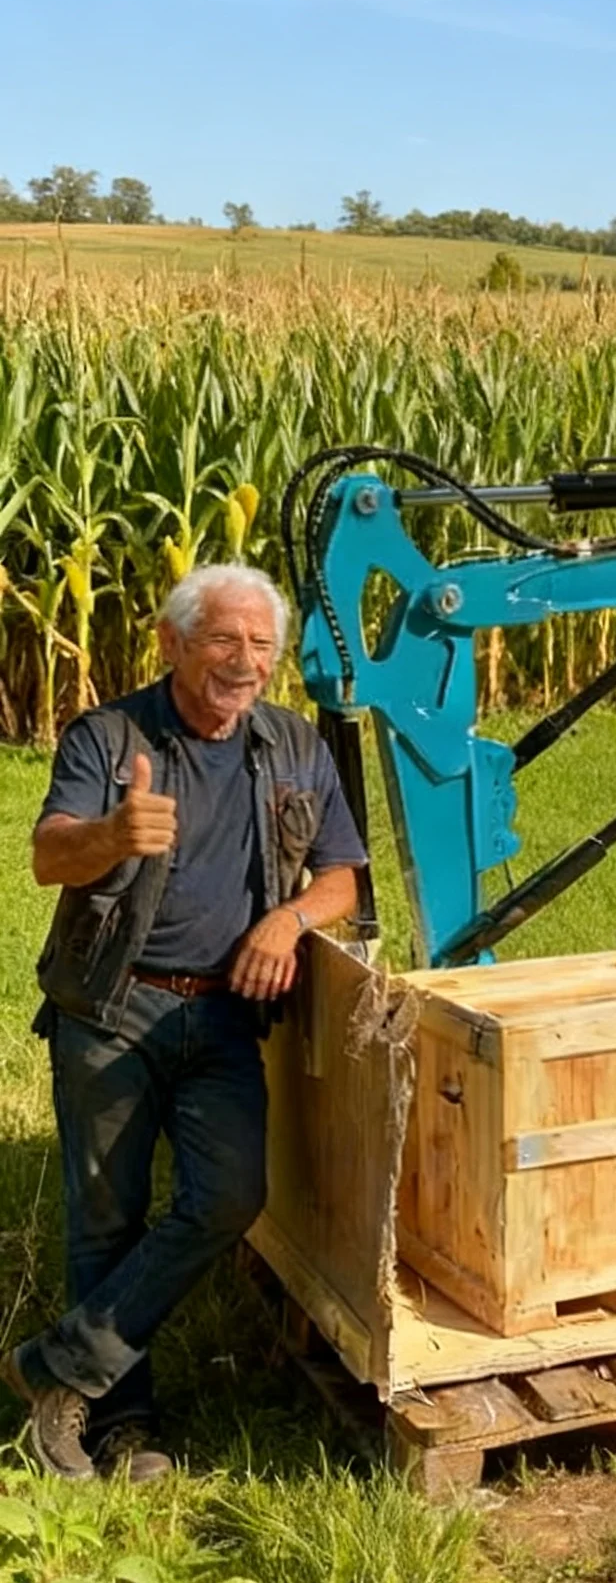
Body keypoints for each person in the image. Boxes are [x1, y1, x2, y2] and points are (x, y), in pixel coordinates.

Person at [4, 564, 368, 1481]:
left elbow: (342, 877)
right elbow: (50, 857)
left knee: (229, 1196)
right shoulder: (111, 735)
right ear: (172, 643)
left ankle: (52, 1367)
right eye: (221, 640)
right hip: (114, 1006)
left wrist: (288, 920)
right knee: (107, 1219)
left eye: (260, 646)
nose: (242, 662)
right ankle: (114, 1428)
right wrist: (113, 837)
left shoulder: (291, 743)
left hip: (223, 1017)